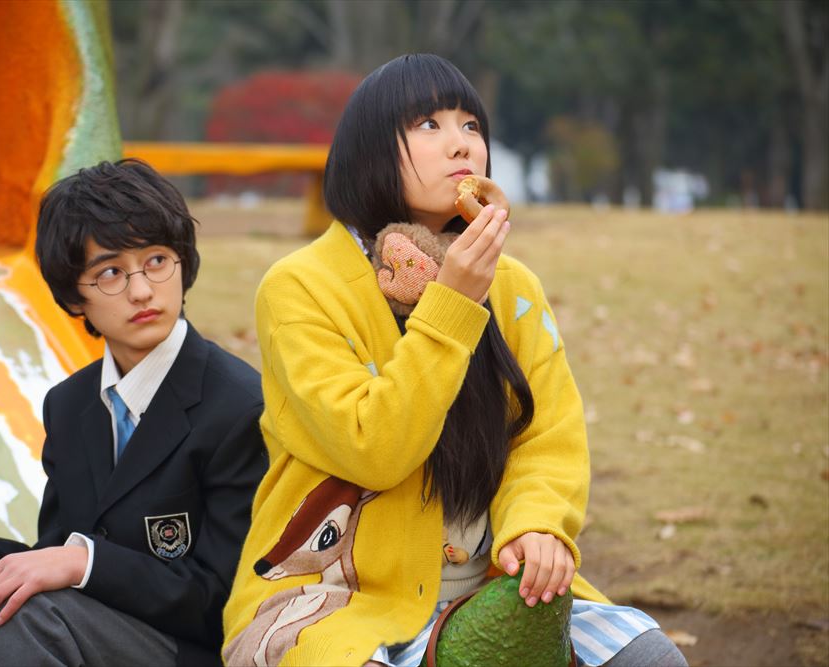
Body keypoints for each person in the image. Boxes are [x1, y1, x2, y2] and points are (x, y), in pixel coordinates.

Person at [221, 54, 686, 667]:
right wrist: (454, 304)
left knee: (650, 658)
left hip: (492, 586)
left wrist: (537, 525)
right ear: (370, 151)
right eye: (429, 125)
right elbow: (372, 448)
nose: (461, 144)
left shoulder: (513, 286)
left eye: (471, 125)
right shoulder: (300, 287)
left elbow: (547, 433)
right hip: (337, 597)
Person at [0, 159, 267, 667]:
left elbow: (223, 599)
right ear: (73, 295)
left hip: (189, 648)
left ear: (183, 262)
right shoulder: (69, 404)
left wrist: (85, 562)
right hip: (86, 623)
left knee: (31, 615)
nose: (141, 290)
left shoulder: (240, 406)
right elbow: (53, 552)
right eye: (110, 272)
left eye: (157, 260)